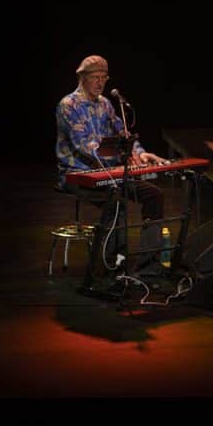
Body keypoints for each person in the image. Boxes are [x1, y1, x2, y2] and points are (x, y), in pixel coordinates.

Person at [56, 55, 168, 274]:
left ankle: (149, 263)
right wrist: (121, 155)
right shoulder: (68, 105)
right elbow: (85, 146)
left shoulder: (105, 104)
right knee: (116, 201)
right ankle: (115, 265)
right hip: (77, 174)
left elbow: (123, 134)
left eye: (103, 78)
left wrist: (139, 153)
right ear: (82, 78)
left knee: (154, 195)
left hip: (108, 173)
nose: (100, 83)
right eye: (95, 77)